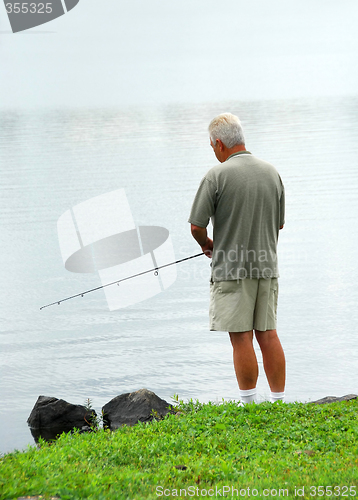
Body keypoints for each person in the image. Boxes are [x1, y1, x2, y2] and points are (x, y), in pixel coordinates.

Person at [188, 112, 286, 404]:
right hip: (267, 267)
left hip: (232, 270)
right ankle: (279, 403)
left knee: (241, 336)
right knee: (268, 334)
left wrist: (208, 244)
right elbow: (279, 224)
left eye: (212, 147)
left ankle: (249, 405)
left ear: (219, 144)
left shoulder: (216, 176)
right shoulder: (272, 172)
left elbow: (196, 226)